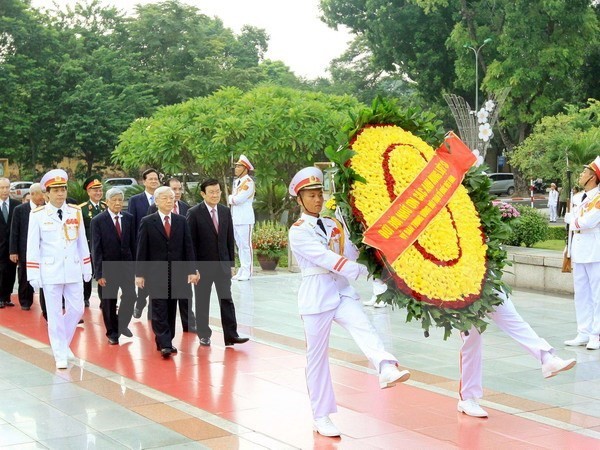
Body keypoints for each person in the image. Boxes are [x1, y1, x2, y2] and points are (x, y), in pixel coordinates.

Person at [287, 167, 409, 438]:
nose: (317, 200)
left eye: (320, 194)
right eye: (311, 195)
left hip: (340, 291)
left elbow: (350, 250)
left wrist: (369, 247)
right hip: (316, 295)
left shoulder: (333, 224)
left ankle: (386, 367)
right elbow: (325, 258)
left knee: (364, 325)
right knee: (317, 359)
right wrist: (358, 270)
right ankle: (321, 415)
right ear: (299, 199)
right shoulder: (298, 231)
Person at [458, 289, 576, 417]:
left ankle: (547, 358)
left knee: (512, 319)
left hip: (488, 279)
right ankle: (467, 397)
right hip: (460, 285)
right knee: (472, 338)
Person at [26, 169, 92, 369]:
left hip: (72, 269)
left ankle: (62, 344)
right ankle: (60, 354)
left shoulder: (75, 212)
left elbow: (82, 242)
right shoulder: (37, 215)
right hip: (50, 271)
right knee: (54, 314)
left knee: (78, 309)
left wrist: (86, 266)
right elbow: (32, 245)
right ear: (47, 193)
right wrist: (33, 273)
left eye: (63, 189)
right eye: (55, 190)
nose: (60, 193)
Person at [135, 186, 199, 358]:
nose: (169, 201)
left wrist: (192, 270)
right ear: (156, 202)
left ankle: (165, 340)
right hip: (156, 274)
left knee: (171, 308)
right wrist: (139, 274)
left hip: (177, 273)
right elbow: (142, 249)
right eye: (165, 198)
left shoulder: (181, 221)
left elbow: (188, 247)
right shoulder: (148, 222)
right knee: (159, 308)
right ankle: (165, 343)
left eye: (171, 198)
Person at [187, 179, 249, 347]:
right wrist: (192, 269)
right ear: (203, 194)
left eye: (218, 191)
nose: (215, 195)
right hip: (203, 267)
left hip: (222, 266)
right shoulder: (194, 213)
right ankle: (204, 334)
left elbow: (229, 239)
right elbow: (190, 244)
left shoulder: (224, 211)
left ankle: (231, 335)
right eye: (211, 192)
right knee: (202, 301)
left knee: (226, 300)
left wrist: (231, 264)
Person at [148, 177, 196, 332]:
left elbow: (188, 240)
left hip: (179, 264)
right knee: (162, 302)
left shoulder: (185, 208)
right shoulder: (152, 211)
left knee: (185, 296)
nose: (177, 193)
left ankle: (188, 322)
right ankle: (162, 330)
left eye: (179, 189)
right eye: (173, 190)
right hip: (159, 266)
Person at [91, 188, 137, 345]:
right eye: (114, 200)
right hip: (107, 268)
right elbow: (96, 249)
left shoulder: (129, 218)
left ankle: (122, 324)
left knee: (131, 296)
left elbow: (133, 244)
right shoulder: (98, 220)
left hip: (126, 267)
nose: (118, 203)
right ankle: (112, 332)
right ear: (107, 201)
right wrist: (99, 273)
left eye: (120, 200)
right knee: (109, 301)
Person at [564, 157, 600, 350]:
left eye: (584, 172)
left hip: (595, 250)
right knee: (581, 293)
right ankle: (583, 331)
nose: (580, 175)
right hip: (578, 248)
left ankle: (597, 334)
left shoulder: (599, 198)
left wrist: (572, 219)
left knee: (597, 294)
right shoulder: (578, 198)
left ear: (593, 177)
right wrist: (567, 249)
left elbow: (588, 222)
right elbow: (571, 227)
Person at [128, 168, 161, 318]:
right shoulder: (135, 200)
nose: (154, 181)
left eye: (156, 179)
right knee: (144, 276)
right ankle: (141, 301)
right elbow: (132, 223)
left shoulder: (164, 198)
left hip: (159, 247)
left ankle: (151, 312)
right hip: (143, 245)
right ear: (144, 181)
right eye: (151, 179)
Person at [9, 183, 45, 311]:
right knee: (24, 276)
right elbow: (14, 232)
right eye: (42, 193)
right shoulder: (20, 210)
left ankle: (45, 304)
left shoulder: (46, 208)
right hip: (24, 249)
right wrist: (13, 251)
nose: (44, 196)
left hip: (43, 249)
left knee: (45, 277)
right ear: (33, 194)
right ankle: (25, 301)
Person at [79, 175, 106, 307]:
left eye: (100, 190)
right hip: (88, 246)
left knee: (103, 273)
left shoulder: (106, 207)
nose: (98, 193)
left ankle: (104, 299)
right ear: (88, 192)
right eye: (95, 190)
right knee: (87, 273)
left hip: (103, 247)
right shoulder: (81, 209)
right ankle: (85, 297)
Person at [228, 155, 255, 281]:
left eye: (239, 166)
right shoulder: (237, 181)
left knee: (246, 245)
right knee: (239, 245)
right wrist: (232, 199)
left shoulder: (248, 182)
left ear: (246, 168)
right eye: (236, 166)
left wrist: (230, 198)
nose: (236, 168)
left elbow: (238, 199)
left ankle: (248, 271)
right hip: (236, 217)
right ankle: (242, 269)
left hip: (245, 218)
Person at [0, 178, 19, 308]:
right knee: (0, 271)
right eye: (2, 188)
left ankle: (7, 297)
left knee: (11, 272)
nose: (5, 190)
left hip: (12, 246)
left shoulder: (16, 205)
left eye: (7, 187)